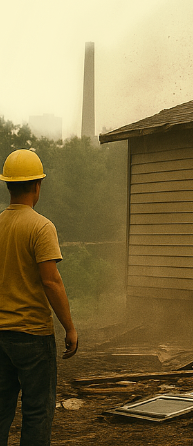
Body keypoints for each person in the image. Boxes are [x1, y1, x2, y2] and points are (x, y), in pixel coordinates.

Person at [0, 150, 77, 446]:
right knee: (37, 412)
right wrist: (69, 327)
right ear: (36, 186)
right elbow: (51, 281)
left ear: (8, 185)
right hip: (32, 335)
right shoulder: (41, 226)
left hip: (1, 334)